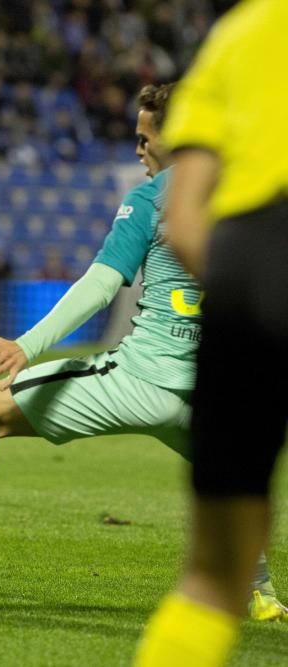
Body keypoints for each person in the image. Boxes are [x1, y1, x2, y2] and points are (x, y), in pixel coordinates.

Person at [0, 82, 288, 618]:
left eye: (143, 136)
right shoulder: (257, 191)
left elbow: (100, 286)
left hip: (140, 380)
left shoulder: (156, 197)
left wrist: (26, 344)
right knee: (232, 480)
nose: (137, 149)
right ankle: (261, 594)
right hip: (213, 393)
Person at [135, 2, 288, 664]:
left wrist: (239, 303)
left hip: (249, 269)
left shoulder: (242, 34)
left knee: (212, 578)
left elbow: (184, 217)